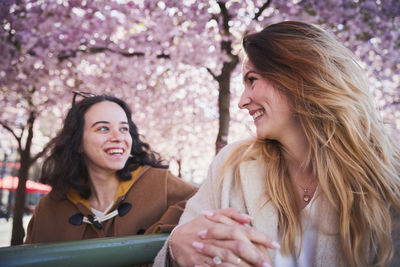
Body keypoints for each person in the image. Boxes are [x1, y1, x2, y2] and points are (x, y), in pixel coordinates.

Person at [154, 21, 400, 267]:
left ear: (297, 78)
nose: (241, 101)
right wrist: (176, 246)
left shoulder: (388, 172)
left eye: (252, 80)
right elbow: (186, 243)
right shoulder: (232, 167)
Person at [25, 92, 197, 243]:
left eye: (124, 128)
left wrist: (162, 231)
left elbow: (210, 205)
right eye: (103, 128)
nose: (118, 137)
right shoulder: (48, 209)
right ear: (78, 143)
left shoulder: (161, 183)